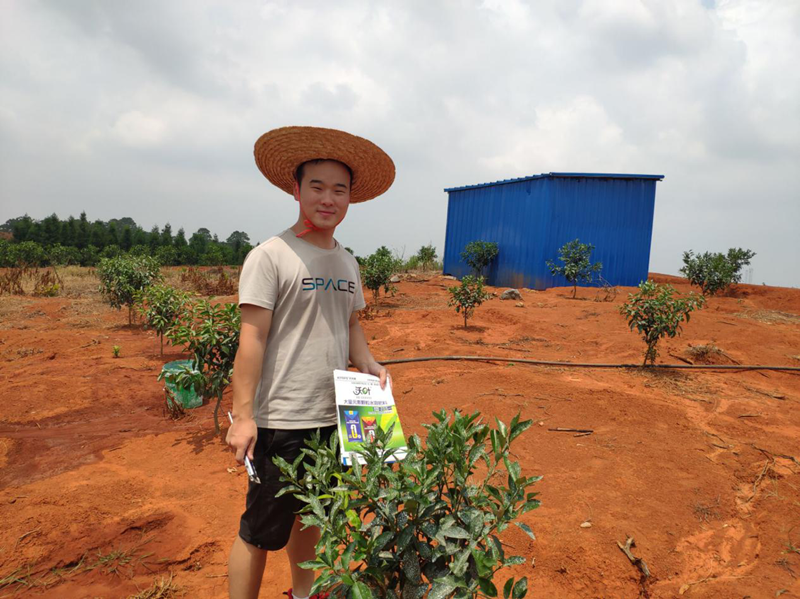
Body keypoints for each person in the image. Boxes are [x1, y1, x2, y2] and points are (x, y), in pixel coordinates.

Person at [226, 126, 395, 599]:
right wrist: (244, 416)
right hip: (280, 418)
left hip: (333, 416)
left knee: (314, 515)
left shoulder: (348, 263)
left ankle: (305, 594)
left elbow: (352, 329)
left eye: (339, 190)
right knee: (260, 531)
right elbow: (252, 338)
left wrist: (373, 366)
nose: (328, 198)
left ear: (350, 199)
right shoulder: (270, 256)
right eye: (317, 187)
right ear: (296, 190)